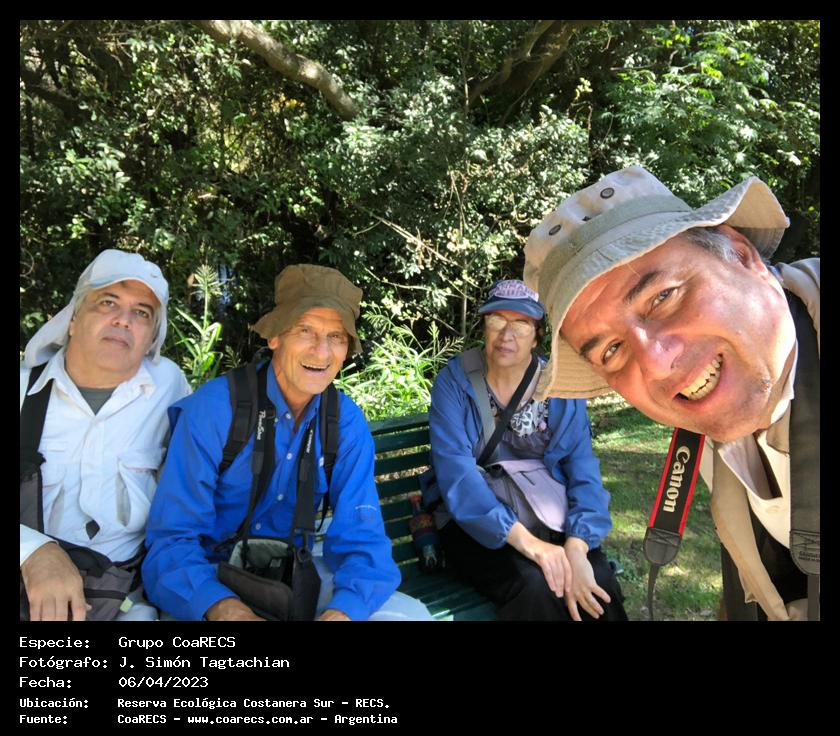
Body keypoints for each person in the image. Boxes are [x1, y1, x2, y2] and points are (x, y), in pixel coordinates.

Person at [523, 165, 819, 621]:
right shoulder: (724, 414)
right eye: (612, 350)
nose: (657, 364)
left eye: (663, 297)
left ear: (743, 257)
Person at [143, 264, 433, 621]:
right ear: (275, 336)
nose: (322, 352)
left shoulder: (344, 422)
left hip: (294, 576)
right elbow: (172, 541)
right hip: (208, 580)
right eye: (305, 330)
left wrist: (342, 613)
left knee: (412, 616)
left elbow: (363, 539)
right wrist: (225, 610)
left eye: (336, 336)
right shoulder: (215, 410)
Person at [423, 279, 627, 621]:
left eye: (520, 324)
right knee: (534, 585)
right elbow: (457, 475)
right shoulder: (455, 382)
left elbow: (583, 468)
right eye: (497, 321)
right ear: (484, 326)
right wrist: (531, 545)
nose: (507, 335)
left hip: (547, 515)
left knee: (598, 580)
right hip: (474, 523)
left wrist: (577, 546)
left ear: (537, 335)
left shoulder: (559, 387)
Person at [20, 249, 191, 621]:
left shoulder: (170, 388)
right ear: (72, 319)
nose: (123, 320)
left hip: (125, 598)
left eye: (142, 313)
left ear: (152, 339)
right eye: (107, 302)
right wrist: (33, 550)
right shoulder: (23, 392)